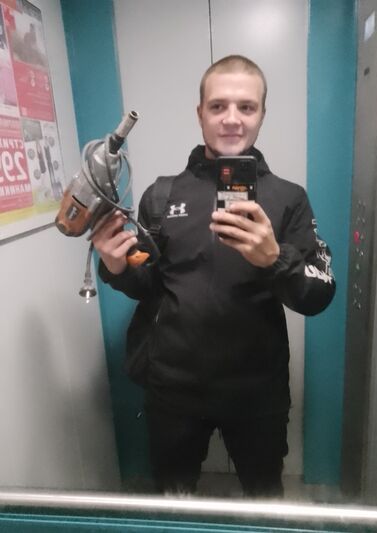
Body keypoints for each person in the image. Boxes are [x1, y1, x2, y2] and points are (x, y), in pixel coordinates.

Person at [93, 55, 335, 498]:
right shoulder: (162, 195)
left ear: (262, 114)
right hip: (174, 388)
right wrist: (115, 267)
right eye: (218, 106)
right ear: (200, 112)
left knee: (264, 499)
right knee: (173, 501)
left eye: (247, 107)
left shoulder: (288, 198)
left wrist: (274, 258)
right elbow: (148, 285)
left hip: (257, 390)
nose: (232, 119)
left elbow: (318, 295)